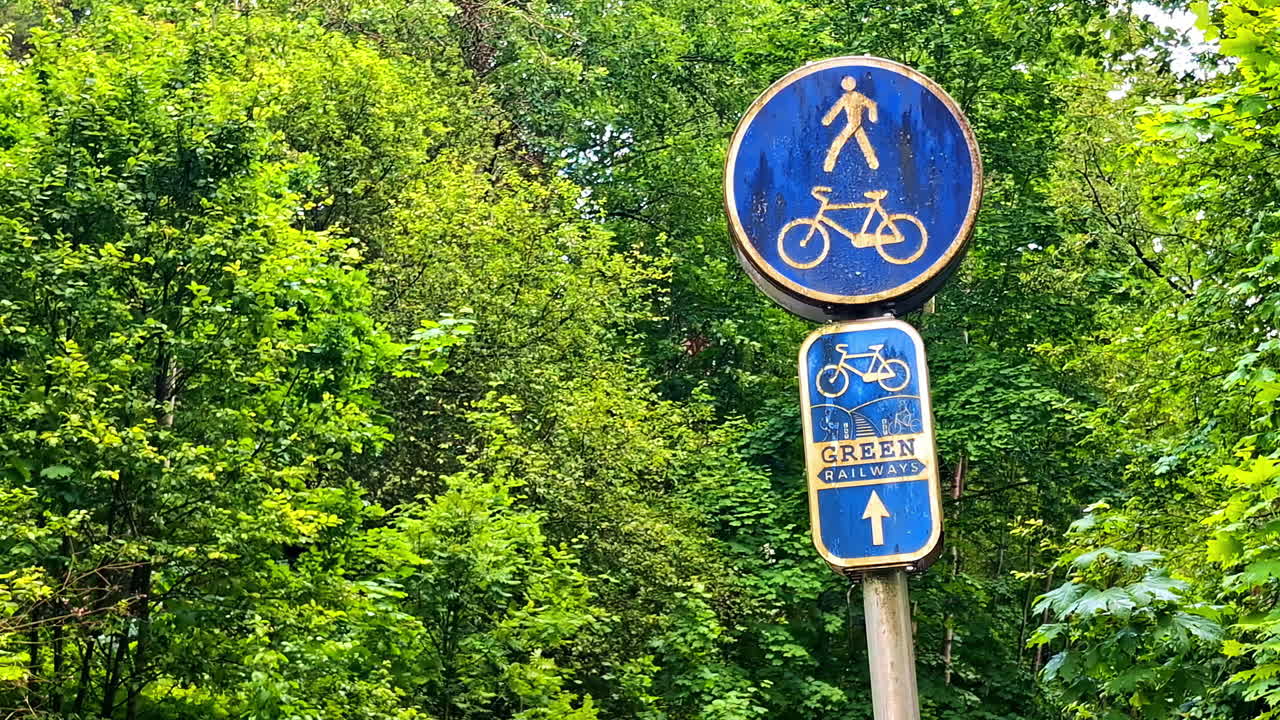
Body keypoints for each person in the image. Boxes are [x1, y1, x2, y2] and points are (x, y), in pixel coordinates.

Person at [822, 76, 880, 172]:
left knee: (838, 141)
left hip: (853, 124)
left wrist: (873, 117)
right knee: (864, 143)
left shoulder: (857, 96)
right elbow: (836, 108)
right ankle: (873, 163)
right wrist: (827, 119)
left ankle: (829, 164)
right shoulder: (845, 97)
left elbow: (871, 104)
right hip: (854, 124)